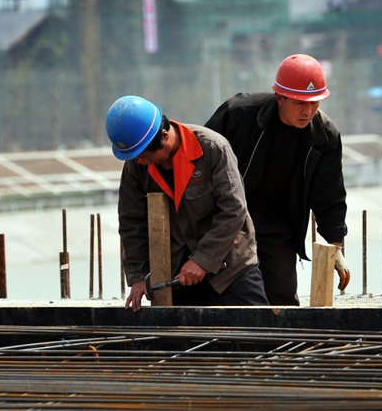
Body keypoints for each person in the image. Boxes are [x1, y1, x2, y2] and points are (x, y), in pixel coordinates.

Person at [205, 53, 349, 306]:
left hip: (279, 224)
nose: (309, 111)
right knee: (237, 294)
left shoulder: (325, 135)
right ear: (280, 98)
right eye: (300, 103)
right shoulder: (238, 114)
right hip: (229, 218)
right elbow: (203, 160)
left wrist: (335, 243)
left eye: (315, 102)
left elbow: (330, 193)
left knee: (282, 297)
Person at [106, 95, 269, 312]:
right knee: (184, 340)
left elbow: (233, 210)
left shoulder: (212, 149)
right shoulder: (137, 163)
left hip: (230, 267)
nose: (140, 162)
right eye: (135, 157)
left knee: (255, 333)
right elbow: (131, 222)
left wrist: (203, 260)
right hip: (178, 273)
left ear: (164, 136)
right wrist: (138, 276)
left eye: (144, 156)